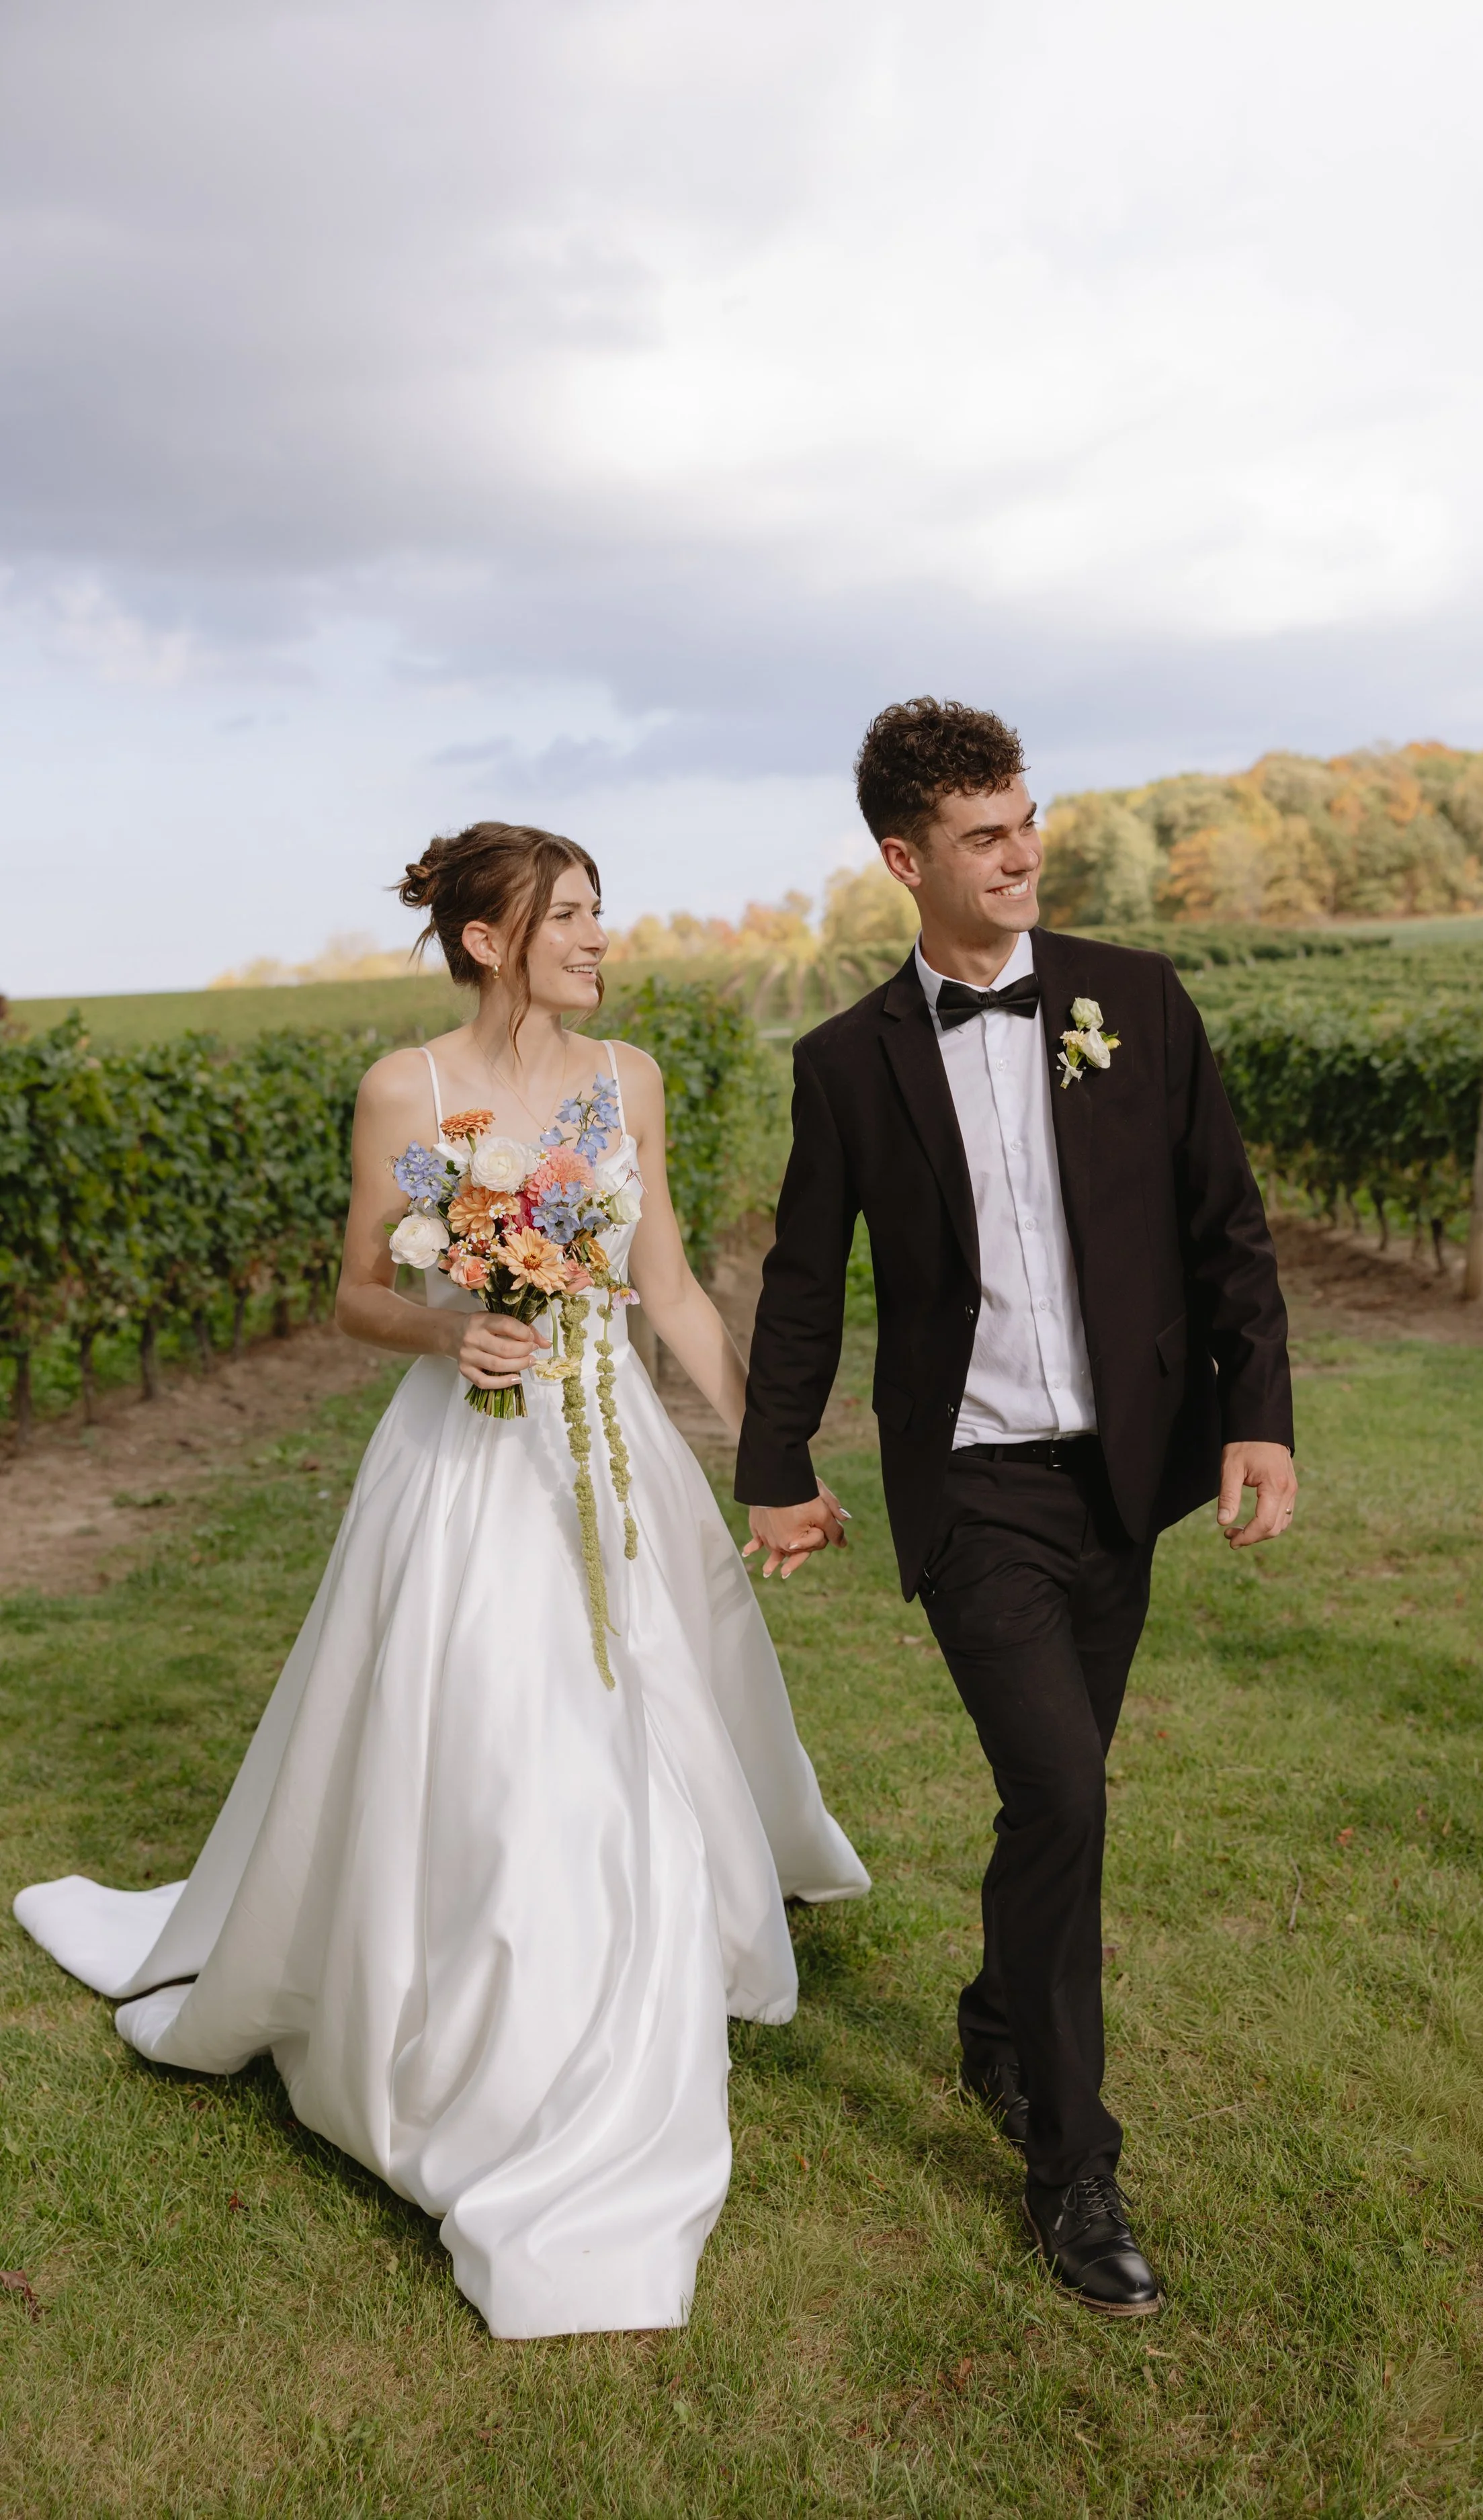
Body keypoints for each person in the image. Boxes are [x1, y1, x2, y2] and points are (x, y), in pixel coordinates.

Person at [15, 820, 868, 2340]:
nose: (604, 940)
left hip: (612, 1455)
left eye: (606, 914)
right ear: (488, 939)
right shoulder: (401, 1092)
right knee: (486, 1745)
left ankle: (627, 1980)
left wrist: (772, 1457)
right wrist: (446, 1330)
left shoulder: (631, 1086)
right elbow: (357, 1290)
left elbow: (663, 1283)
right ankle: (477, 2026)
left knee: (634, 1737)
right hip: (465, 1466)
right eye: (574, 918)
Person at [736, 703, 1294, 2318]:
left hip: (1119, 1480)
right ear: (904, 862)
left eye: (1027, 821)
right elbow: (798, 1288)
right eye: (985, 836)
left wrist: (1250, 1422)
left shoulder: (1135, 1000)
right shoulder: (847, 1066)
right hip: (972, 1491)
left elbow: (1227, 1235)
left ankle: (996, 2019)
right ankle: (1072, 2165)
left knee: (1059, 1799)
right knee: (1060, 1790)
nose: (1023, 852)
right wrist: (776, 1465)